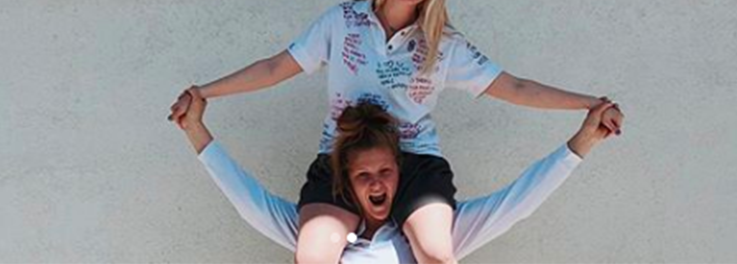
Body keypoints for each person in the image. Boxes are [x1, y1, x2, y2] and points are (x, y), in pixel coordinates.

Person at [169, 0, 624, 264]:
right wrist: (205, 93)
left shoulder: (443, 45)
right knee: (312, 257)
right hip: (341, 159)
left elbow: (515, 88)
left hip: (413, 162)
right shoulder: (343, 22)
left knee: (434, 253)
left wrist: (586, 104)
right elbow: (275, 67)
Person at [176, 89, 618, 263]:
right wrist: (195, 130)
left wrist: (583, 142)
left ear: (400, 175)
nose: (375, 183)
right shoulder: (318, 234)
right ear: (346, 183)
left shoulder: (432, 235)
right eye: (363, 174)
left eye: (385, 171)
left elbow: (517, 202)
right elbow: (247, 200)